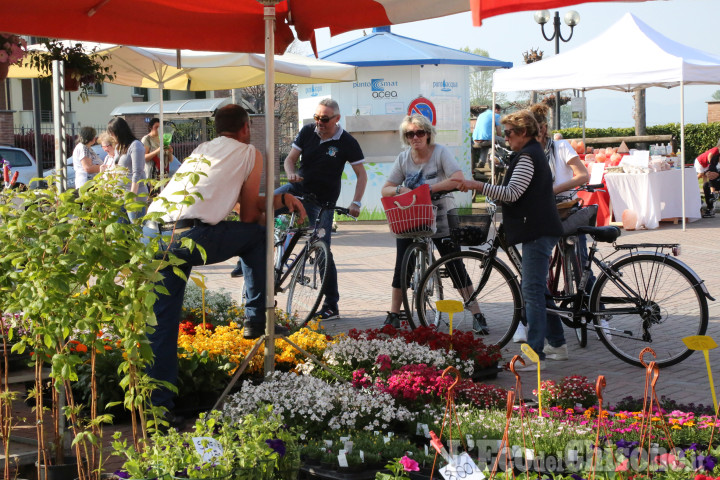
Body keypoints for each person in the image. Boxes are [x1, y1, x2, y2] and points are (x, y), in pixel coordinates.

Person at [144, 104, 305, 415]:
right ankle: (256, 316)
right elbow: (247, 215)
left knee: (162, 326)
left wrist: (280, 201)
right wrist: (274, 210)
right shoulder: (249, 153)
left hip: (154, 233)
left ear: (218, 128)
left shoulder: (204, 149)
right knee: (257, 237)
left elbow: (234, 203)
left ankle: (158, 411)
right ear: (245, 128)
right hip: (191, 235)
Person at [233, 98, 367, 322]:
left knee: (322, 250)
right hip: (296, 189)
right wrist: (292, 172)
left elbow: (361, 174)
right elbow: (290, 160)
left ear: (336, 119)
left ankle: (331, 305)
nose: (319, 123)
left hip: (323, 203)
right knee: (260, 206)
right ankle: (245, 259)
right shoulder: (307, 132)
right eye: (316, 118)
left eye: (324, 119)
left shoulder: (347, 142)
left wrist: (357, 202)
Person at [458, 110, 563, 372]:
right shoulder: (529, 153)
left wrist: (476, 186)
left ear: (523, 133)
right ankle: (558, 344)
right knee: (538, 289)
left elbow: (513, 193)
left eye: (509, 133)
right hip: (537, 228)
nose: (505, 138)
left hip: (536, 230)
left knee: (532, 292)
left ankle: (535, 353)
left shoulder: (527, 156)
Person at [380, 115, 485, 329]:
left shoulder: (440, 152)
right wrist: (400, 189)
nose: (415, 137)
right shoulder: (403, 158)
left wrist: (427, 189)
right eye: (410, 134)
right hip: (413, 218)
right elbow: (386, 188)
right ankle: (393, 314)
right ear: (406, 137)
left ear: (428, 134)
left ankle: (476, 313)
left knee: (454, 264)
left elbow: (458, 178)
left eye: (420, 132)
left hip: (442, 217)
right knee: (402, 265)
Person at [520, 103, 590, 357]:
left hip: (564, 210)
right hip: (543, 215)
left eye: (533, 129)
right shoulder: (528, 152)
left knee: (581, 265)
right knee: (537, 279)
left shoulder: (560, 147)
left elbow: (582, 175)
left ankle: (595, 309)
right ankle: (549, 336)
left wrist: (551, 191)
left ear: (544, 128)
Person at [107, 117, 149, 223]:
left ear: (119, 132)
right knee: (118, 228)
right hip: (119, 194)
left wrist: (132, 196)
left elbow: (137, 172)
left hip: (134, 193)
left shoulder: (135, 145)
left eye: (112, 134)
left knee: (136, 227)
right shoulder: (118, 147)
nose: (112, 137)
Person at [695, 140, 720, 218]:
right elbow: (711, 168)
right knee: (706, 184)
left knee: (704, 177)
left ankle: (713, 195)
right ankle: (710, 207)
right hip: (715, 178)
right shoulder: (715, 157)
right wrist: (709, 173)